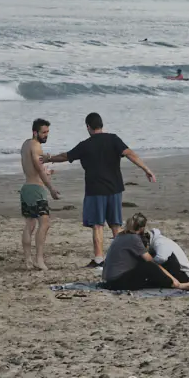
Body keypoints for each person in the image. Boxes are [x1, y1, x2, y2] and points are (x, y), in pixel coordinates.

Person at [44, 112, 156, 267]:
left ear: (88, 127)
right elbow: (130, 154)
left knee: (98, 225)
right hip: (115, 188)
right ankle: (120, 255)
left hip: (95, 189)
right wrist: (146, 169)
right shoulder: (113, 139)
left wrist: (49, 158)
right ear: (101, 125)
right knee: (115, 224)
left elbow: (66, 156)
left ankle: (99, 259)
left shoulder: (85, 145)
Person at [100, 213, 189, 291]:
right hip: (117, 282)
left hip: (109, 280)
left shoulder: (120, 235)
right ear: (142, 228)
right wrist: (174, 280)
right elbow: (152, 263)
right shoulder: (134, 238)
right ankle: (178, 285)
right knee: (148, 266)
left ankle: (173, 282)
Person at [18, 118, 60, 271]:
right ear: (35, 132)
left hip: (26, 188)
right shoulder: (36, 146)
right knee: (45, 223)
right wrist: (51, 187)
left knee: (30, 223)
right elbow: (38, 167)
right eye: (44, 132)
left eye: (48, 132)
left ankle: (28, 260)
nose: (46, 135)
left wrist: (46, 171)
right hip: (37, 189)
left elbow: (32, 168)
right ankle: (39, 259)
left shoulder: (25, 144)